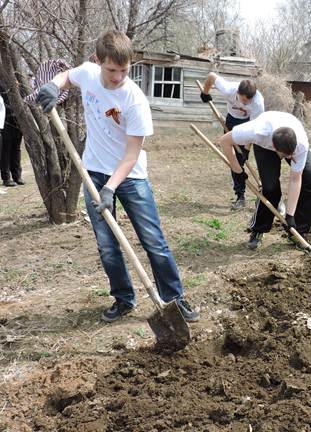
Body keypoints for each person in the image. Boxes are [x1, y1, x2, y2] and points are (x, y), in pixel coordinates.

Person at [36, 30, 199, 324]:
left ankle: (176, 298)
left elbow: (131, 154)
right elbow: (66, 78)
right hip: (93, 173)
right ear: (98, 61)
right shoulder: (87, 73)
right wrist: (52, 84)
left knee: (153, 240)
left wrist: (111, 187)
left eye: (124, 70)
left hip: (131, 178)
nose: (117, 77)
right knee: (107, 245)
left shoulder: (134, 100)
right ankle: (123, 299)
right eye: (111, 70)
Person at [217, 111, 311, 250]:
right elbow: (224, 141)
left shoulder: (300, 144)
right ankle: (259, 229)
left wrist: (290, 215)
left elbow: (295, 180)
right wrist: (237, 170)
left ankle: (298, 231)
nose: (289, 158)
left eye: (291, 154)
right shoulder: (257, 131)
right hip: (264, 146)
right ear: (274, 146)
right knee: (270, 188)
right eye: (285, 155)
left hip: (289, 134)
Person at [200, 72, 264, 210]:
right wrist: (205, 93)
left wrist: (246, 149)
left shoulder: (258, 103)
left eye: (248, 101)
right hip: (231, 122)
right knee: (234, 161)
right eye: (243, 100)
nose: (245, 103)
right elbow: (211, 76)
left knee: (241, 160)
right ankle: (240, 196)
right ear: (238, 92)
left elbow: (254, 128)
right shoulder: (229, 89)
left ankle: (262, 188)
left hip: (248, 124)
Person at [0, 82, 24, 187]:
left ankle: (17, 176)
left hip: (17, 120)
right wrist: (13, 109)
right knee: (6, 149)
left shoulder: (17, 80)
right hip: (4, 120)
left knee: (16, 148)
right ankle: (6, 178)